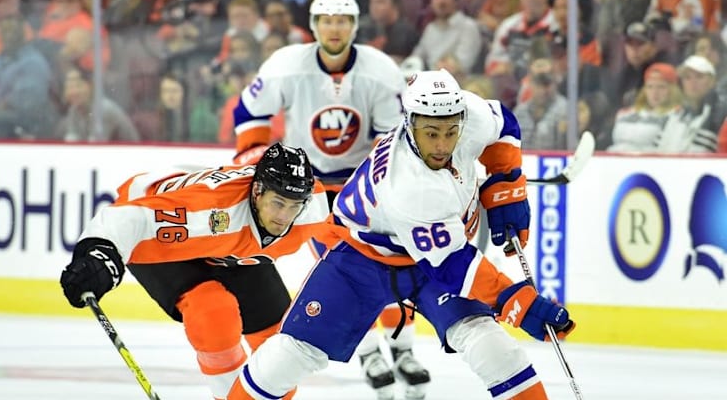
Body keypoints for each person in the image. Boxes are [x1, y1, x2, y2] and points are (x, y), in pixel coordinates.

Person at [227, 69, 577, 400]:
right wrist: (518, 302)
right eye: (431, 133)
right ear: (410, 123)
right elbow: (454, 268)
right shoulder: (409, 185)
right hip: (361, 258)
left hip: (429, 259)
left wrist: (506, 179)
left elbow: (503, 122)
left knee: (492, 347)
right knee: (288, 357)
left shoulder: (469, 114)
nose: (442, 146)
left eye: (450, 132)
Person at [231, 0, 430, 399]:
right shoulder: (287, 64)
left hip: (365, 185)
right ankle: (370, 351)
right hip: (311, 186)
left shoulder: (380, 71)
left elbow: (392, 138)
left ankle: (402, 346)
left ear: (354, 26)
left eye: (342, 21)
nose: (334, 28)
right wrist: (255, 158)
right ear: (314, 25)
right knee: (341, 264)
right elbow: (249, 111)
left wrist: (377, 182)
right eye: (325, 20)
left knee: (390, 262)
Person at [59, 143, 329, 400]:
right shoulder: (210, 211)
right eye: (278, 203)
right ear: (257, 191)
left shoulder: (312, 207)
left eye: (294, 206)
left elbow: (358, 220)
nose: (284, 217)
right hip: (168, 232)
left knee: (279, 352)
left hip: (231, 249)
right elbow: (132, 219)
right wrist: (99, 253)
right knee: (212, 313)